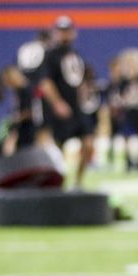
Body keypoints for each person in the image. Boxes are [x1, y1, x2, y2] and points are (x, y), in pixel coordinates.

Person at [36, 15, 93, 187]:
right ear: (55, 33)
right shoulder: (50, 55)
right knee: (59, 150)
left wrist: (83, 93)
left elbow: (80, 79)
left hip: (77, 109)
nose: (64, 35)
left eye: (67, 31)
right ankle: (59, 184)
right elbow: (45, 82)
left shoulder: (76, 55)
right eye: (61, 31)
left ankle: (78, 182)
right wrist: (57, 103)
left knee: (89, 144)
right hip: (60, 110)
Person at [116, 48, 138, 173]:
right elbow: (120, 96)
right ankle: (129, 160)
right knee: (127, 136)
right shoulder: (124, 81)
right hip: (129, 111)